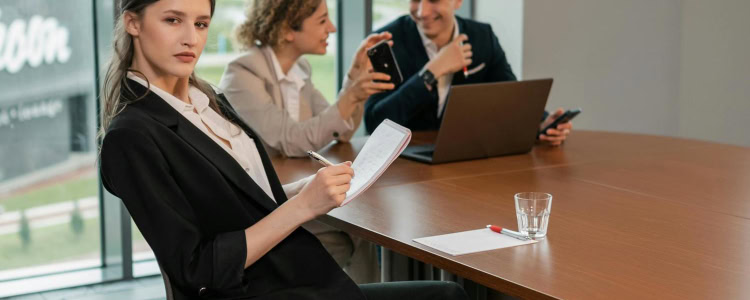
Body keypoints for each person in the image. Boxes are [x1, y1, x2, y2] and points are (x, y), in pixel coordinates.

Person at [98, 0, 468, 299]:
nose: (191, 39)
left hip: (299, 279)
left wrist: (305, 188)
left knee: (448, 293)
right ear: (133, 22)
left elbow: (244, 198)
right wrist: (303, 206)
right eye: (173, 20)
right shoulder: (132, 136)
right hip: (263, 289)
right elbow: (196, 270)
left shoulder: (207, 99)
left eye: (200, 24)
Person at [219, 0, 391, 283]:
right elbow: (293, 140)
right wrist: (350, 95)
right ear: (288, 29)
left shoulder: (300, 70)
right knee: (354, 235)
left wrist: (354, 79)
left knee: (359, 234)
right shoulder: (242, 75)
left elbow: (339, 130)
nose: (332, 28)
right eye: (322, 21)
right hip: (264, 210)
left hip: (294, 194)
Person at [364, 0, 573, 146]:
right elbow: (375, 123)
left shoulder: (483, 37)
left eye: (434, 0)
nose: (422, 12)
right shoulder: (386, 42)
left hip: (466, 161)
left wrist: (542, 123)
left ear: (458, 1)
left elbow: (510, 96)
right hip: (404, 169)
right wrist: (431, 72)